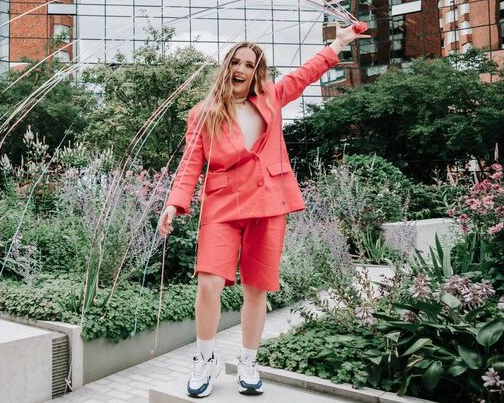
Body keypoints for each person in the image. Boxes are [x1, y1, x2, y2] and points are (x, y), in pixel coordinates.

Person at [157, 23, 369, 398]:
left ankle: (249, 361)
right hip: (222, 205)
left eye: (250, 64)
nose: (241, 69)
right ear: (226, 66)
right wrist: (174, 202)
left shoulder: (271, 96)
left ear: (258, 71)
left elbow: (305, 74)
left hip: (269, 203)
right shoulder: (203, 113)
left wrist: (338, 43)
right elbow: (190, 163)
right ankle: (204, 359)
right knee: (208, 283)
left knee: (257, 287)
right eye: (235, 62)